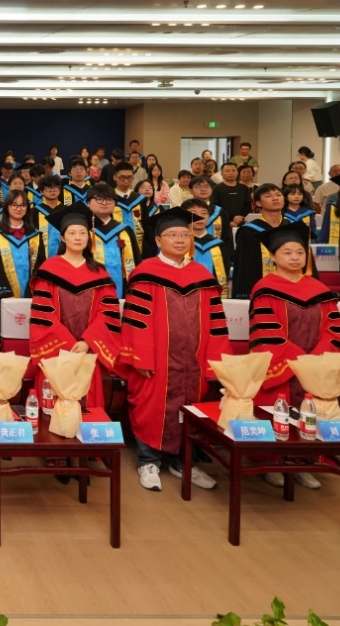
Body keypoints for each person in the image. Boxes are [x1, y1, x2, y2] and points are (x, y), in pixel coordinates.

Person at [120, 207, 230, 492]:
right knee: (151, 407)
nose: (180, 240)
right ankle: (148, 462)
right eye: (172, 235)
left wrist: (215, 361)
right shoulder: (146, 274)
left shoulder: (201, 275)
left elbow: (216, 322)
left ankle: (184, 462)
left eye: (185, 234)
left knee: (190, 407)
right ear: (158, 240)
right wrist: (141, 358)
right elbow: (136, 321)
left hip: (193, 360)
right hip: (157, 359)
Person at [246, 221, 340, 489]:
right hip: (282, 366)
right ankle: (273, 463)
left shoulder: (319, 290)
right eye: (287, 252)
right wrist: (298, 359)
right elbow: (267, 330)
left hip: (314, 367)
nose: (294, 257)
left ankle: (304, 462)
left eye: (300, 252)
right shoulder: (265, 288)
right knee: (278, 412)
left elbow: (333, 327)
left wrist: (318, 358)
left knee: (310, 413)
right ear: (273, 256)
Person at [32, 205, 124, 413]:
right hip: (55, 354)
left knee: (87, 412)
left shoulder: (99, 273)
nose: (78, 237)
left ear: (89, 237)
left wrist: (87, 342)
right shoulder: (48, 270)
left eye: (83, 233)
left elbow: (107, 312)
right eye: (72, 233)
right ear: (62, 238)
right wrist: (68, 344)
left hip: (87, 353)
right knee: (54, 412)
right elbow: (42, 313)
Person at [231, 184, 299, 301]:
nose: (275, 198)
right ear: (258, 203)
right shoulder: (249, 231)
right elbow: (244, 268)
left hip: (291, 291)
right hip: (260, 293)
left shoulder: (294, 228)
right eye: (268, 196)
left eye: (278, 195)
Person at [0, 189, 46, 299]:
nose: (18, 209)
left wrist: (31, 293)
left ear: (27, 208)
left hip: (32, 297)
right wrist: (6, 294)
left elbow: (40, 267)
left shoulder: (35, 236)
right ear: (7, 207)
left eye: (23, 205)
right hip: (4, 299)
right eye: (14, 205)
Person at [86, 183, 139, 298]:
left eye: (109, 199)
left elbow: (136, 261)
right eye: (99, 199)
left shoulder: (125, 231)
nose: (104, 203)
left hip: (123, 290)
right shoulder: (83, 230)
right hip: (89, 288)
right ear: (88, 203)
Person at [181, 198, 229, 294]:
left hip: (212, 295)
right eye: (193, 213)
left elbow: (225, 271)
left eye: (204, 213)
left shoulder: (218, 244)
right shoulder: (178, 244)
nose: (200, 216)